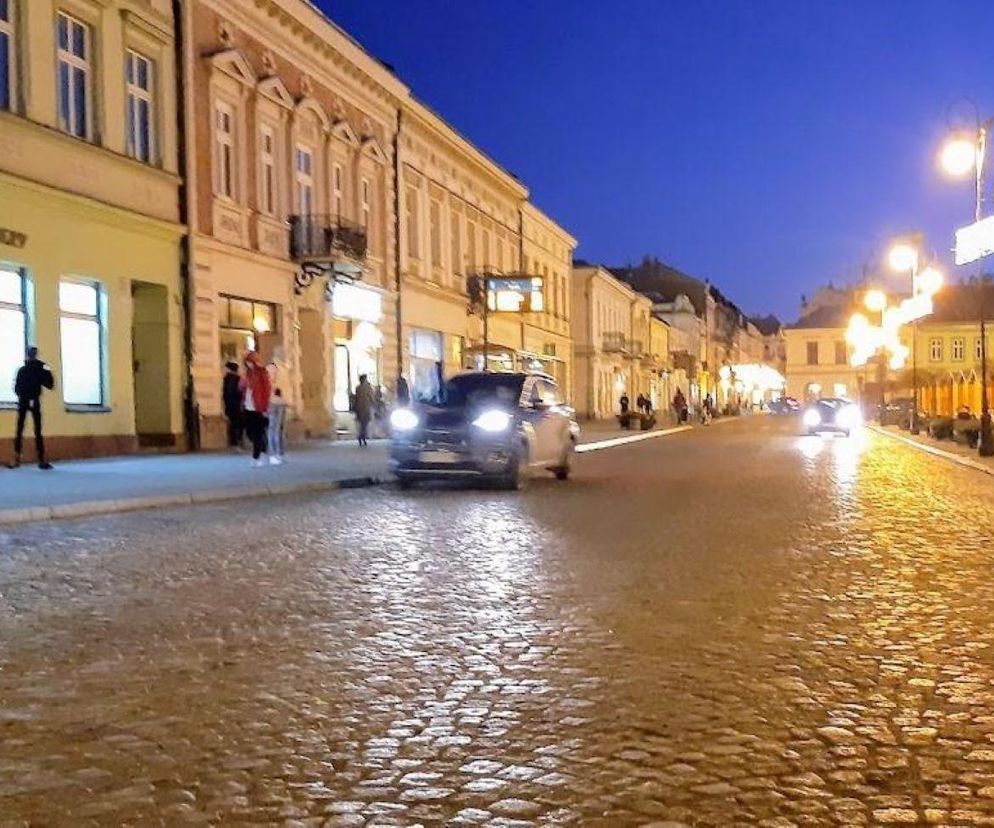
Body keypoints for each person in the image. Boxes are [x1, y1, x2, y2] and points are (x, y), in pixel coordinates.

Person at [9, 346, 55, 469]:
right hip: (28, 400)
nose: (32, 355)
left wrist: (46, 369)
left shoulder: (36, 369)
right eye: (31, 353)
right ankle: (20, 459)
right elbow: (17, 387)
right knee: (25, 430)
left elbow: (49, 384)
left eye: (33, 353)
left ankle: (32, 460)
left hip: (29, 401)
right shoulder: (24, 370)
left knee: (31, 430)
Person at [240, 351, 271, 467]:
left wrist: (264, 406)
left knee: (257, 433)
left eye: (250, 361)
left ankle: (256, 457)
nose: (249, 364)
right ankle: (262, 448)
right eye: (247, 362)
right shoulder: (247, 374)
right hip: (248, 406)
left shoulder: (261, 372)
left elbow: (266, 389)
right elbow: (243, 387)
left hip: (258, 406)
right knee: (250, 432)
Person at [222, 361, 243, 450]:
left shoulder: (227, 379)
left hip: (231, 404)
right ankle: (238, 440)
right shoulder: (238, 378)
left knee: (233, 424)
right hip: (237, 404)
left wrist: (225, 405)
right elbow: (240, 392)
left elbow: (226, 393)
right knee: (238, 423)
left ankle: (234, 442)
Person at [354, 374, 376, 447]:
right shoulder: (368, 388)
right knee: (365, 424)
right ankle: (362, 437)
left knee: (362, 424)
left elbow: (356, 399)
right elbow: (371, 397)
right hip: (366, 408)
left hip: (359, 409)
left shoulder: (358, 388)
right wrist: (374, 405)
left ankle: (361, 437)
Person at [267, 387, 287, 465]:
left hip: (272, 419)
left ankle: (273, 453)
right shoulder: (281, 401)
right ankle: (279, 453)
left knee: (271, 434)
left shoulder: (270, 400)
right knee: (278, 434)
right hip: (279, 421)